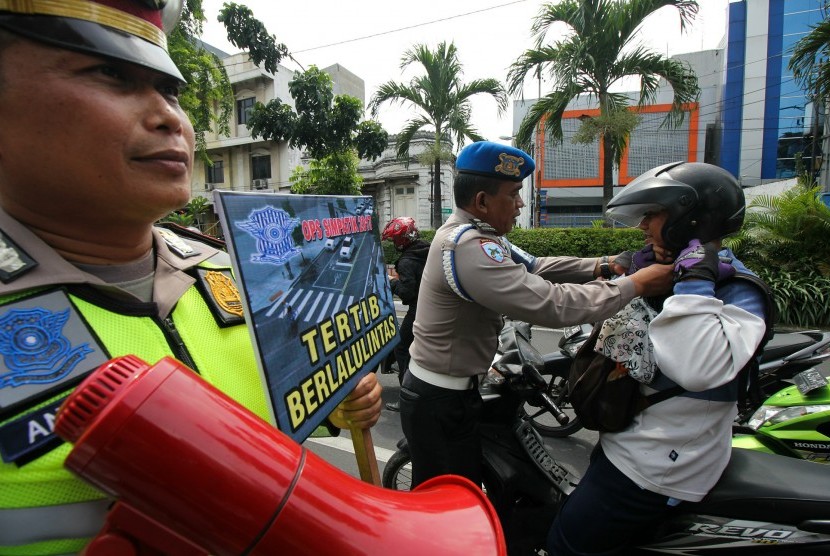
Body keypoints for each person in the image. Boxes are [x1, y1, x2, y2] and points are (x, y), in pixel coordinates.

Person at [0, 3, 381, 555]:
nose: (169, 119)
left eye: (170, 91)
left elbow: (279, 419)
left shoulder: (233, 273)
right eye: (111, 75)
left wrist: (339, 403)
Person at [400, 141, 675, 489]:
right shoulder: (468, 246)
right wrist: (634, 285)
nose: (521, 204)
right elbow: (551, 304)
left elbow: (535, 265)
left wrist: (604, 264)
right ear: (482, 201)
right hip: (439, 401)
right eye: (513, 194)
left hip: (457, 392)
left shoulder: (481, 233)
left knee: (467, 486)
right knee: (449, 504)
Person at [546, 161, 771, 555]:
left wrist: (696, 283)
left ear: (689, 219)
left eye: (652, 214)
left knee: (565, 545)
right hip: (626, 445)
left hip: (655, 469)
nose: (642, 226)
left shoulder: (737, 290)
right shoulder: (660, 273)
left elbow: (697, 367)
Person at [381, 216, 430, 412]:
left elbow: (407, 292)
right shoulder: (426, 249)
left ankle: (407, 396)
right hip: (435, 307)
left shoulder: (407, 261)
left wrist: (392, 282)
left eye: (394, 240)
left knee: (401, 348)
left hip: (419, 309)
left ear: (402, 239)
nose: (393, 244)